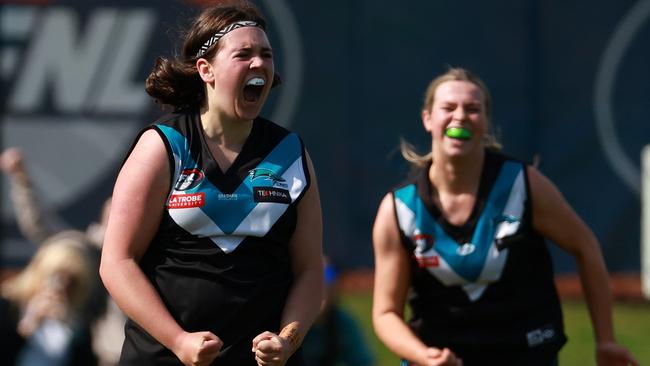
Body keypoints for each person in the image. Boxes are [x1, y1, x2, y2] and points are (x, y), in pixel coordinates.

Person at [99, 2, 324, 365]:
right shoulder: (164, 145)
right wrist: (179, 341)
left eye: (266, 54)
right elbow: (117, 262)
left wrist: (287, 341)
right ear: (206, 69)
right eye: (243, 54)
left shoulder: (290, 153)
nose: (259, 64)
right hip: (164, 357)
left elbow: (310, 271)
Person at [371, 67, 639, 366]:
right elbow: (385, 313)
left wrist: (606, 340)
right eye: (448, 107)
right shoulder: (399, 209)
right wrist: (424, 356)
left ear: (485, 123)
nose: (460, 117)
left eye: (473, 109)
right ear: (427, 119)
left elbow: (586, 246)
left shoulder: (524, 186)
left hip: (524, 354)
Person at [1, 147, 125, 366]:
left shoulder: (140, 258)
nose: (62, 286)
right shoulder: (82, 247)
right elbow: (40, 225)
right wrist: (21, 181)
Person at [1, 231, 97, 366]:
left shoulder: (77, 323)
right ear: (41, 271)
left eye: (71, 281)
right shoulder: (8, 305)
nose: (61, 287)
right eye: (57, 276)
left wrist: (71, 329)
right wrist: (28, 326)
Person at [301, 259, 377, 366]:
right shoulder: (286, 322)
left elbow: (364, 362)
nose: (321, 283)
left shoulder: (341, 322)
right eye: (313, 277)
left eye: (328, 275)